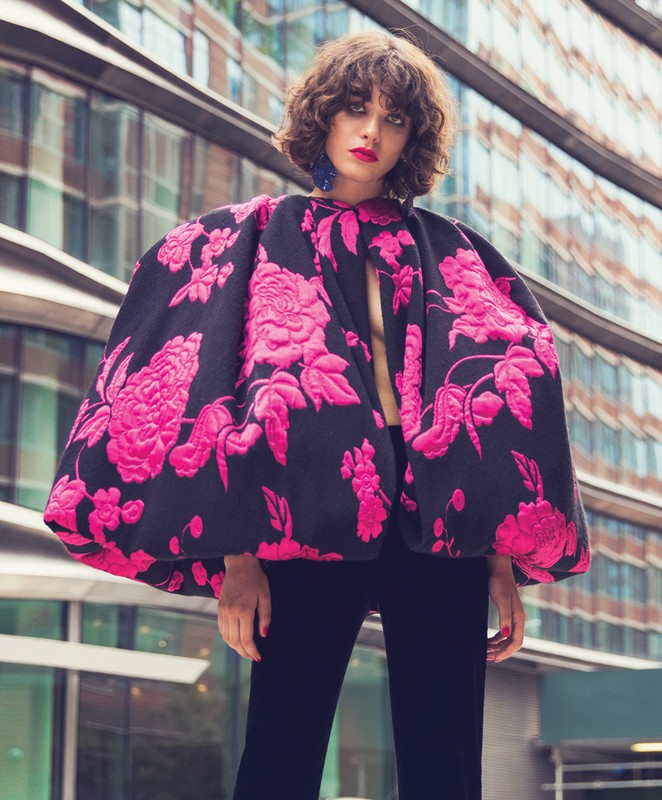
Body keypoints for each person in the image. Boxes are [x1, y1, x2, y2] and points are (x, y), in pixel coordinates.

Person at [44, 30, 590, 800]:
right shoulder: (259, 236)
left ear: (414, 137)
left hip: (435, 526)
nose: (371, 132)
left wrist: (498, 557)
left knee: (447, 765)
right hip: (308, 519)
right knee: (280, 751)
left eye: (394, 118)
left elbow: (508, 407)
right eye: (355, 109)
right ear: (322, 117)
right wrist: (239, 560)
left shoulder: (458, 251)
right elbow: (216, 396)